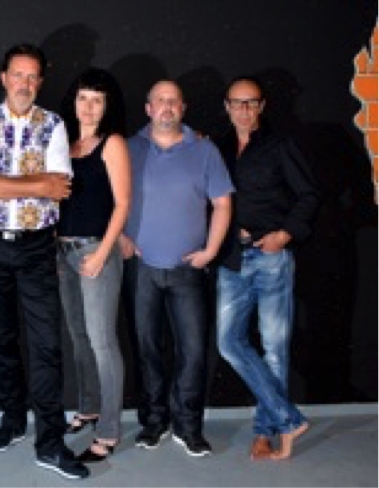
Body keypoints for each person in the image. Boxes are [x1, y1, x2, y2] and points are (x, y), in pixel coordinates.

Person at [0, 43, 89, 480]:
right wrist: (37, 185)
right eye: (18, 75)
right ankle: (13, 420)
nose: (25, 84)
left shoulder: (54, 126)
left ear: (40, 82)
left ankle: (50, 443)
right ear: (4, 78)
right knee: (2, 338)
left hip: (36, 247)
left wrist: (9, 183)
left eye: (33, 76)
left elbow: (61, 187)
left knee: (46, 345)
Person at [119, 80, 233, 458]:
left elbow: (223, 203)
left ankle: (189, 427)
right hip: (142, 268)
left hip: (188, 270)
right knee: (147, 349)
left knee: (194, 351)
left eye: (173, 101)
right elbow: (109, 196)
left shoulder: (204, 150)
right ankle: (155, 422)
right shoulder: (129, 148)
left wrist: (210, 251)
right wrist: (120, 237)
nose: (167, 107)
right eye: (160, 101)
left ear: (182, 108)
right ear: (148, 108)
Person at [213, 76, 318, 461]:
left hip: (271, 258)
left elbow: (309, 195)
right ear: (227, 107)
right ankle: (288, 418)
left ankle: (265, 432)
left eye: (251, 102)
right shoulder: (217, 148)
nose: (243, 110)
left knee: (274, 347)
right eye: (237, 103)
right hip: (231, 259)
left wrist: (285, 234)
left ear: (261, 106)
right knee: (228, 342)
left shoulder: (280, 145)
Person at [56, 68, 132, 463]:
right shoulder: (65, 145)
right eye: (83, 98)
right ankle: (89, 407)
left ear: (106, 106)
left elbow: (122, 203)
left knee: (102, 341)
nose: (88, 106)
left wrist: (102, 253)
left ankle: (109, 431)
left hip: (94, 249)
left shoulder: (111, 143)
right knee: (79, 335)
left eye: (97, 100)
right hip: (62, 251)